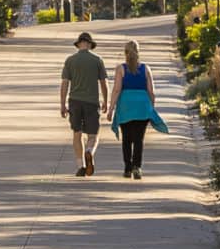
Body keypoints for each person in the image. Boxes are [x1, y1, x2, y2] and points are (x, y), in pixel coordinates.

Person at [110, 37, 169, 178]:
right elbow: (151, 91)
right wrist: (151, 108)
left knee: (126, 138)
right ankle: (137, 167)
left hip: (125, 106)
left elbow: (117, 90)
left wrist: (111, 107)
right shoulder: (146, 69)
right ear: (138, 52)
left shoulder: (120, 69)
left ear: (125, 53)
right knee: (138, 139)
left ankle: (127, 168)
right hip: (142, 106)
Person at [58, 29, 109, 175]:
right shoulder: (97, 60)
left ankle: (80, 165)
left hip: (75, 102)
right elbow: (104, 82)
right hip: (91, 102)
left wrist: (62, 104)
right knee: (93, 135)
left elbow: (65, 83)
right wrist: (106, 101)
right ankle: (89, 151)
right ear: (90, 44)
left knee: (77, 133)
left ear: (79, 44)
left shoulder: (70, 60)